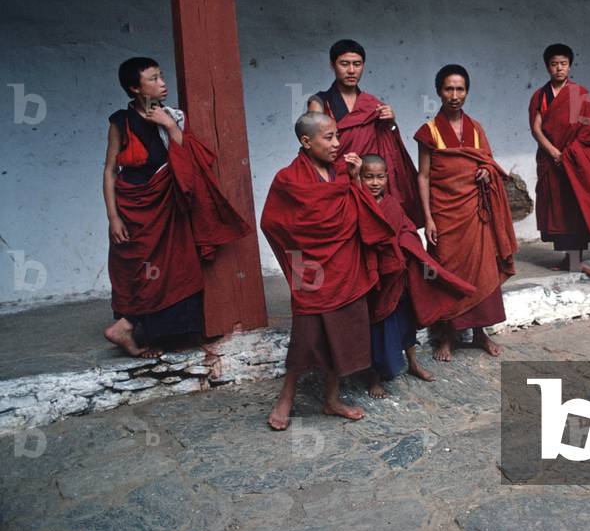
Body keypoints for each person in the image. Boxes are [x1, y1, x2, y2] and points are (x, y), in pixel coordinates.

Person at [103, 57, 250, 358]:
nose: (162, 83)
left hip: (168, 207)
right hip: (135, 209)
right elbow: (109, 171)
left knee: (175, 268)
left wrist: (170, 126)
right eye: (153, 79)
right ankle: (129, 327)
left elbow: (192, 158)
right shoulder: (120, 121)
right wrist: (113, 217)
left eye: (161, 76)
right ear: (134, 87)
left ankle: (156, 336)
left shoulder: (173, 116)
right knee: (142, 270)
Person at [260, 112, 395, 430]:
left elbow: (362, 214)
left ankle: (332, 400)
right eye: (329, 137)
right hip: (313, 273)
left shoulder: (342, 174)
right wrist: (300, 260)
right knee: (305, 336)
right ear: (306, 142)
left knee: (344, 335)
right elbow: (273, 222)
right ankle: (286, 398)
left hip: (345, 267)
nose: (337, 143)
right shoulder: (288, 179)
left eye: (337, 136)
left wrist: (354, 178)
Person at [414, 65, 518, 362]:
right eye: (449, 89)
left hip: (475, 212)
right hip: (445, 214)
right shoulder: (429, 131)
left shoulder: (475, 128)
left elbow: (487, 161)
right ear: (439, 92)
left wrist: (486, 172)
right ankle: (446, 336)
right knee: (447, 271)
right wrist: (428, 219)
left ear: (467, 92)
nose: (455, 95)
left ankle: (481, 333)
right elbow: (423, 177)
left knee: (482, 269)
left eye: (460, 89)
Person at [360, 154, 476, 398]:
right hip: (375, 279)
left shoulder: (392, 203)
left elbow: (408, 230)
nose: (374, 182)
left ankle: (412, 363)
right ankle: (374, 377)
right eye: (368, 177)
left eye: (380, 177)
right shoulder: (358, 204)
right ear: (359, 178)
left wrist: (403, 244)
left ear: (387, 178)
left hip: (399, 275)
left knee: (407, 323)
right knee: (376, 329)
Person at [308, 38, 423, 226]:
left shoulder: (372, 105)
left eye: (357, 64)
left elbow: (388, 150)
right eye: (344, 64)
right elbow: (314, 149)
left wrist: (391, 124)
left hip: (368, 186)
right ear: (332, 65)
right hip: (337, 184)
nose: (351, 70)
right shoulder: (320, 103)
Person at [528, 43, 590, 277]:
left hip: (576, 160)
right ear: (547, 67)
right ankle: (569, 259)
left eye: (563, 64)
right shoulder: (541, 95)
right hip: (552, 160)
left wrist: (569, 154)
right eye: (554, 64)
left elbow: (588, 129)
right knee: (559, 210)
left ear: (570, 66)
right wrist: (555, 153)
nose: (559, 69)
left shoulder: (578, 94)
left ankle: (576, 261)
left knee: (578, 206)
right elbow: (536, 129)